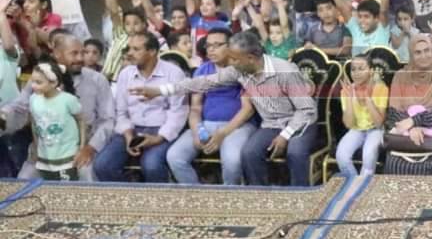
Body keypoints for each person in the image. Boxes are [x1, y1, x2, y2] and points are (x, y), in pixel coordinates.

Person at [133, 30, 318, 186]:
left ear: (250, 58)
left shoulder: (285, 71)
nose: (231, 62)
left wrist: (285, 135)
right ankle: (259, 198)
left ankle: (300, 199)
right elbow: (202, 82)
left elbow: (306, 110)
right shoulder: (239, 70)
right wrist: (159, 91)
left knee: (295, 152)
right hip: (271, 124)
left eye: (235, 59)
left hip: (301, 123)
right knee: (250, 153)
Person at [1, 31, 114, 181]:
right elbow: (20, 107)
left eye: (82, 53)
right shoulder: (40, 79)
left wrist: (90, 148)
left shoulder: (97, 80)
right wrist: (4, 115)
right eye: (74, 53)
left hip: (82, 151)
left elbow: (108, 120)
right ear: (57, 55)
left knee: (86, 178)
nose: (80, 58)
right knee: (24, 182)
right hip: (44, 152)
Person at [165, 28, 257, 185]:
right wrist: (197, 131)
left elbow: (247, 110)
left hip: (238, 126)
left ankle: (229, 197)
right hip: (207, 125)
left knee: (232, 161)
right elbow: (195, 108)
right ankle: (198, 195)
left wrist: (222, 133)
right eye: (208, 46)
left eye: (217, 45)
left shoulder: (243, 69)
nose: (211, 50)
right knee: (175, 156)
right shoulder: (202, 70)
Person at [95, 33, 188, 183]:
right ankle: (129, 196)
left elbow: (178, 113)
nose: (130, 53)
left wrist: (158, 138)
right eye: (129, 49)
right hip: (131, 129)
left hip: (161, 129)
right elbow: (121, 112)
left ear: (152, 51)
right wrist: (128, 136)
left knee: (151, 166)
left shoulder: (174, 73)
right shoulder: (126, 74)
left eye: (136, 49)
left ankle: (157, 197)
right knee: (102, 165)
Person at [383, 35, 432, 176]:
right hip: (405, 127)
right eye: (418, 52)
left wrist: (415, 121)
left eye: (427, 50)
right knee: (395, 163)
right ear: (411, 55)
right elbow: (394, 112)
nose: (424, 56)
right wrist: (411, 128)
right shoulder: (400, 77)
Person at [27, 60, 84, 181]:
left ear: (53, 83)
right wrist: (36, 146)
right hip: (45, 158)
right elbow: (34, 123)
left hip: (67, 156)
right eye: (32, 81)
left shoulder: (68, 100)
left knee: (66, 189)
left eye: (38, 82)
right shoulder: (33, 99)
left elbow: (81, 121)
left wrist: (81, 147)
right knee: (48, 188)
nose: (33, 86)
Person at [335, 53, 389, 178]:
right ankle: (353, 183)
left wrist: (368, 99)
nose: (356, 73)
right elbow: (349, 124)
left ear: (371, 71)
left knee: (368, 156)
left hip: (376, 130)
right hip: (356, 129)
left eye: (361, 69)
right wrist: (350, 99)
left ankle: (363, 184)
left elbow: (379, 123)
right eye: (353, 69)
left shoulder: (381, 88)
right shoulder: (346, 91)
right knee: (341, 156)